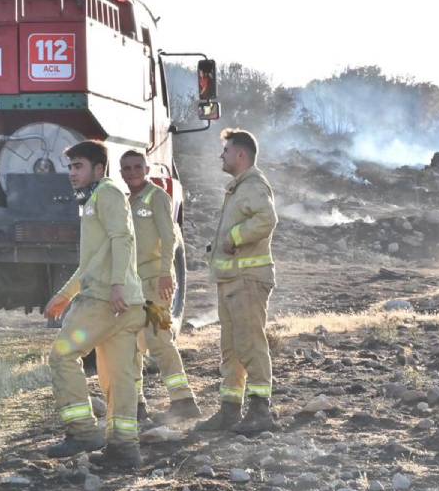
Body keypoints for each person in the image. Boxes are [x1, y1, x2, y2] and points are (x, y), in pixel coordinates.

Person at [43, 141, 147, 469]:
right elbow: (91, 261)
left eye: (79, 166)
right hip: (122, 303)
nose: (72, 173)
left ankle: (83, 431)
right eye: (70, 167)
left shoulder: (107, 194)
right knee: (117, 376)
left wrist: (116, 283)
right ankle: (124, 449)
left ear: (98, 169)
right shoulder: (95, 199)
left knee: (61, 356)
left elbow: (123, 238)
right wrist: (65, 294)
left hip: (106, 299)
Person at [196, 129, 280, 434]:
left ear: (241, 155)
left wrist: (234, 237)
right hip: (231, 280)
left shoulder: (253, 185)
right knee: (231, 349)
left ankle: (260, 411)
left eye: (226, 150)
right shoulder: (238, 188)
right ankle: (230, 411)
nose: (222, 155)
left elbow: (267, 220)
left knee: (250, 343)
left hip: (247, 280)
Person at [119, 150, 202, 424]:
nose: (132, 173)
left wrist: (167, 273)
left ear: (147, 169)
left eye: (136, 167)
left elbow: (170, 238)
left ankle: (183, 400)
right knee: (131, 343)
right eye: (126, 169)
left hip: (156, 284)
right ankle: (137, 405)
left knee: (159, 340)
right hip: (134, 284)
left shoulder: (157, 197)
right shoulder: (127, 201)